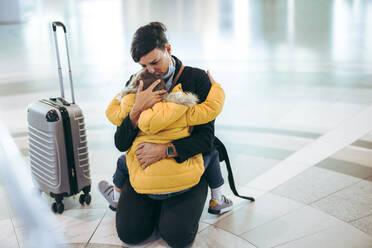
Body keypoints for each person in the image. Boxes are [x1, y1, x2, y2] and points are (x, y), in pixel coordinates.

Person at [100, 22, 231, 247]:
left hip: (184, 166)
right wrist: (134, 111)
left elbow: (205, 139)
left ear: (168, 50)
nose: (151, 70)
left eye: (155, 62)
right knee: (131, 233)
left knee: (177, 236)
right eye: (144, 65)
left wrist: (166, 150)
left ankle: (173, 208)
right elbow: (121, 143)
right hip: (144, 172)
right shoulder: (137, 83)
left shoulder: (195, 79)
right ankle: (156, 205)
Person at [100, 69, 232, 214]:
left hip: (145, 186)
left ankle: (115, 198)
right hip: (184, 183)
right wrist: (216, 87)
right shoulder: (180, 108)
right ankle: (217, 201)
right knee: (213, 153)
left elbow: (110, 112)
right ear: (164, 93)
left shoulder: (132, 111)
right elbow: (211, 108)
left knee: (122, 162)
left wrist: (127, 95)